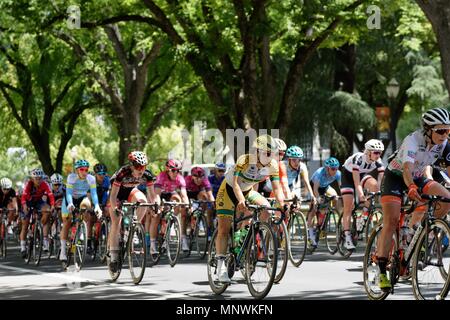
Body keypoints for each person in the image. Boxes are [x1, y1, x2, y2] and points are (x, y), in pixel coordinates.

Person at [376, 107, 450, 292]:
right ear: (428, 129)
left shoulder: (445, 144)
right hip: (396, 177)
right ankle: (382, 271)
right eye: (440, 130)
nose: (445, 135)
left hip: (418, 177)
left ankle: (424, 233)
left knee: (447, 198)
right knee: (391, 221)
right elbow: (407, 169)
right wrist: (410, 187)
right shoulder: (412, 141)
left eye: (448, 130)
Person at [214, 134, 285, 283]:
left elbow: (277, 189)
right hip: (228, 190)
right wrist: (241, 200)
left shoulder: (273, 166)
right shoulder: (245, 160)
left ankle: (251, 236)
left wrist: (283, 205)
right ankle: (220, 267)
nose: (271, 157)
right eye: (267, 153)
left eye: (272, 154)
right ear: (258, 151)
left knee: (266, 207)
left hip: (247, 191)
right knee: (224, 229)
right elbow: (235, 184)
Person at [109, 151, 159, 270]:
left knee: (143, 201)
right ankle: (114, 257)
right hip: (116, 194)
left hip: (130, 191)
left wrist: (157, 204)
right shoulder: (122, 173)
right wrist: (115, 207)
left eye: (143, 166)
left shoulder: (147, 175)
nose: (140, 170)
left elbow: (152, 195)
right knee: (116, 222)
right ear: (131, 165)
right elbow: (113, 195)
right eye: (137, 167)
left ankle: (135, 227)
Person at [340, 139, 385, 250]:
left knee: (375, 187)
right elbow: (356, 182)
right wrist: (361, 195)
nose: (378, 155)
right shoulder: (358, 159)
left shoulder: (378, 161)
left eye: (380, 152)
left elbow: (381, 179)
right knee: (349, 206)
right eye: (375, 152)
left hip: (362, 175)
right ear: (368, 152)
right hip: (348, 176)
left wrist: (380, 192)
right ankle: (347, 237)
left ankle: (364, 215)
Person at [59, 160, 102, 261]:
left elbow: (94, 194)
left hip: (82, 197)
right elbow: (68, 192)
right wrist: (70, 203)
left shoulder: (91, 178)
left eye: (86, 170)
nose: (84, 172)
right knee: (67, 222)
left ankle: (81, 231)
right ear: (77, 170)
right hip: (70, 198)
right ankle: (63, 252)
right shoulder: (72, 177)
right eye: (81, 169)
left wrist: (96, 206)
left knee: (86, 206)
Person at [154, 159, 190, 252]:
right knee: (156, 214)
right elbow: (157, 194)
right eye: (173, 170)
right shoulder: (162, 176)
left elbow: (184, 194)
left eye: (178, 170)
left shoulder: (180, 178)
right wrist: (158, 206)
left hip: (170, 194)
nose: (175, 173)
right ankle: (153, 241)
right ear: (167, 169)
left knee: (178, 200)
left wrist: (187, 205)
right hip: (160, 194)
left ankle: (171, 219)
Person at [307, 157, 341, 248]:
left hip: (325, 187)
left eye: (337, 168)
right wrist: (318, 198)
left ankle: (331, 211)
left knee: (335, 196)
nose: (335, 171)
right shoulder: (319, 173)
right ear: (327, 168)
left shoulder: (338, 174)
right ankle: (310, 233)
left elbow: (341, 187)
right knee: (313, 209)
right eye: (333, 169)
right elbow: (315, 189)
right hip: (315, 187)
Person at [20, 169, 55, 258]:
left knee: (47, 211)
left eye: (40, 178)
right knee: (25, 224)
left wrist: (52, 205)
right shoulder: (29, 184)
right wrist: (24, 206)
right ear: (32, 179)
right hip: (28, 201)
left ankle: (45, 239)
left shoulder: (44, 184)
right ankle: (23, 246)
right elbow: (23, 197)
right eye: (36, 178)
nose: (38, 180)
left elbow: (50, 195)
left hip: (38, 201)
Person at [186, 167, 215, 239]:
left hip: (198, 193)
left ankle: (200, 214)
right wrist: (188, 206)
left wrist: (214, 204)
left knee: (204, 195)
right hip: (187, 194)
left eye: (201, 177)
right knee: (186, 212)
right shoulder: (187, 180)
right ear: (192, 176)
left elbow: (210, 195)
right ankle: (188, 225)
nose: (199, 179)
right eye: (196, 177)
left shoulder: (205, 181)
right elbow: (183, 194)